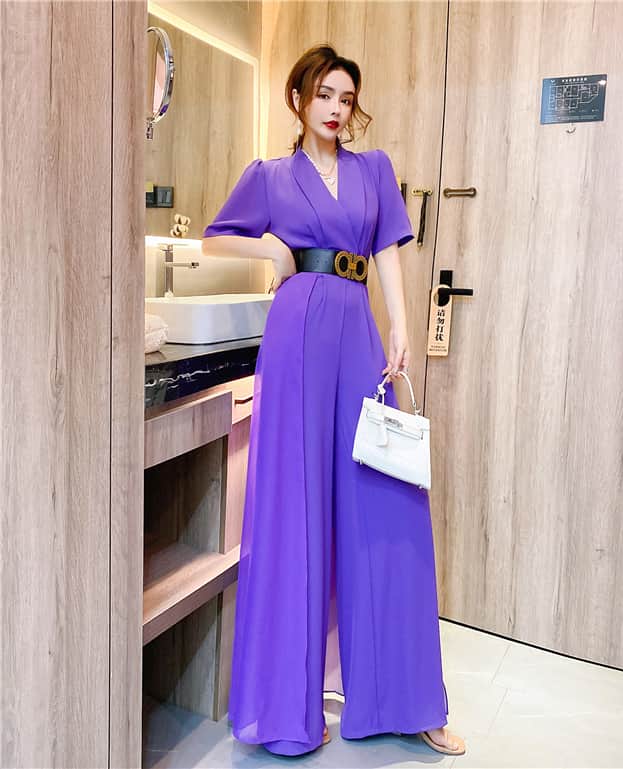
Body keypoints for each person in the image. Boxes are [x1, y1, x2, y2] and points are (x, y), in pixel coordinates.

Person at [201, 44, 466, 759]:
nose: (335, 108)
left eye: (346, 98)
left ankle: (410, 701)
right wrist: (273, 251)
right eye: (323, 94)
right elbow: (216, 239)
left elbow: (387, 251)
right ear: (299, 99)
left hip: (357, 331)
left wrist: (401, 326)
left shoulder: (372, 169)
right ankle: (288, 708)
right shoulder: (269, 176)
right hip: (295, 339)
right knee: (296, 509)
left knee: (387, 504)